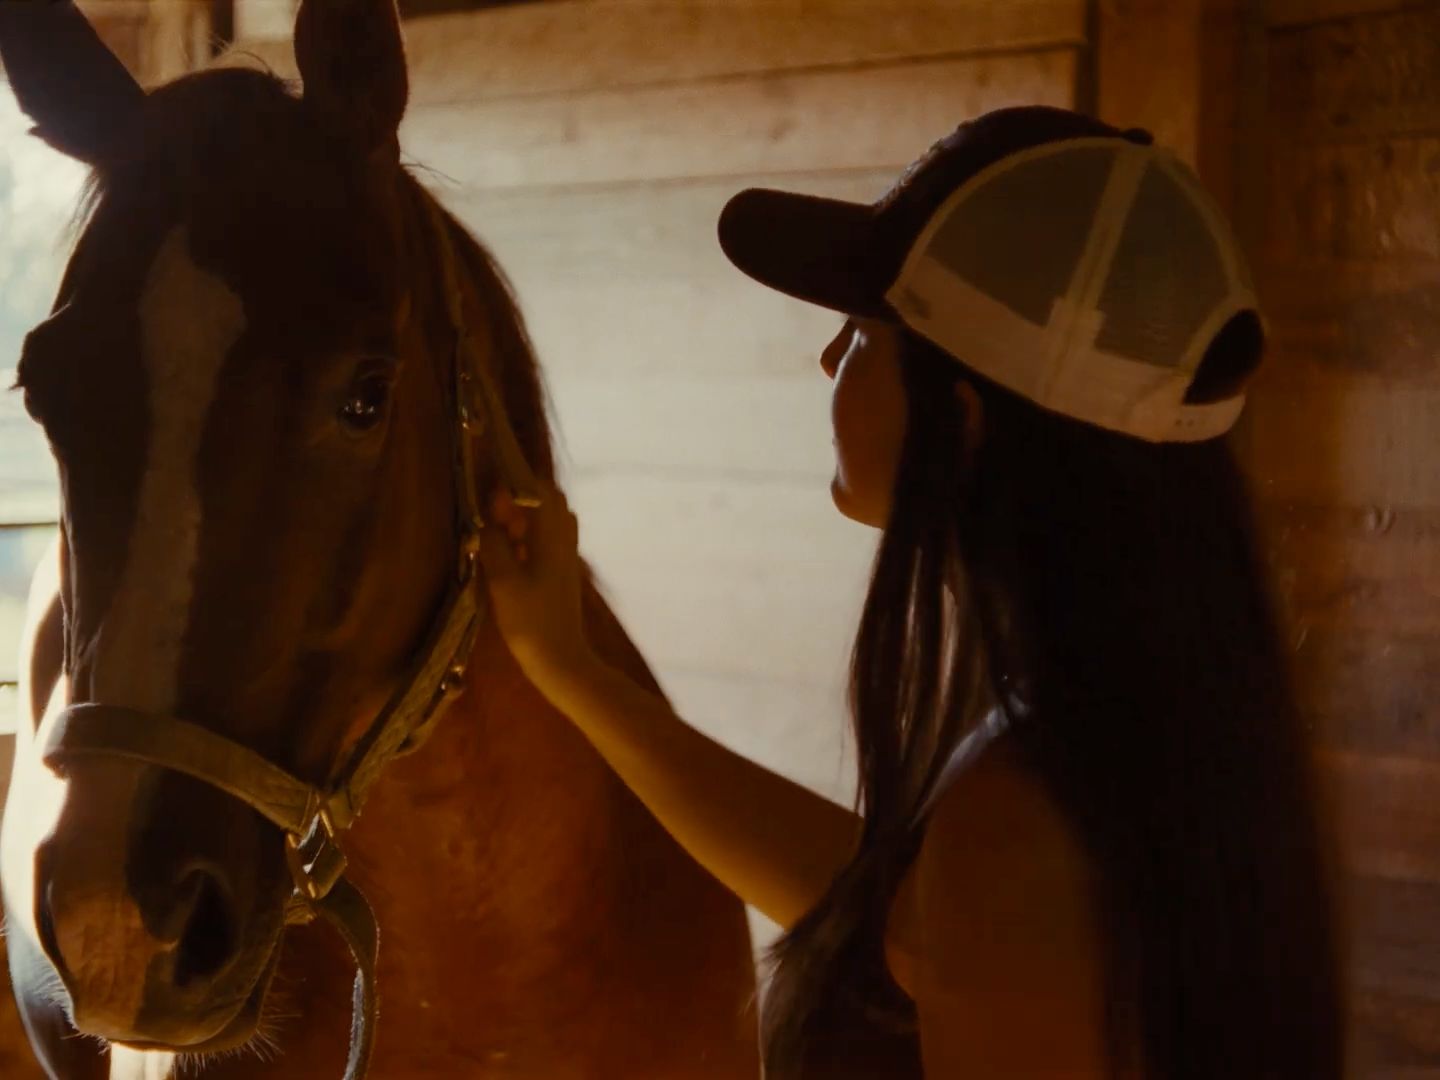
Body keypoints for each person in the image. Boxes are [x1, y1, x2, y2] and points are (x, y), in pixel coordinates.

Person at [476, 106, 1344, 1078]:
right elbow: (889, 921)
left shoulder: (1023, 817)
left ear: (964, 419)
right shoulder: (1126, 715)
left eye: (864, 331)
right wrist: (573, 671)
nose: (828, 357)